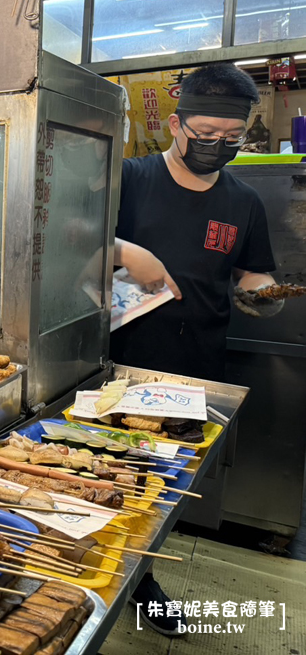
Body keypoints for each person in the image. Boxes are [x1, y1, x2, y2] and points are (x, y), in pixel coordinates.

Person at [111, 62, 284, 636]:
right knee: (113, 478)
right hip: (120, 362)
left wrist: (265, 295)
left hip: (198, 368)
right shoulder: (130, 178)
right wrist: (124, 251)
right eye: (205, 135)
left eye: (230, 139)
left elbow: (252, 277)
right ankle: (123, 580)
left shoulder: (244, 203)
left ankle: (139, 581)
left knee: (165, 489)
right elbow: (69, 240)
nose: (216, 147)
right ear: (176, 125)